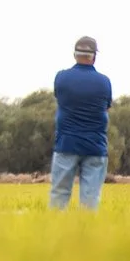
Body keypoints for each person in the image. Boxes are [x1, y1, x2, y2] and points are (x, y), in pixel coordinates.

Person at [50, 35, 114, 211]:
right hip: (95, 146)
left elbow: (60, 100)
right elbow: (106, 108)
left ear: (74, 55)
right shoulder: (104, 82)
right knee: (91, 198)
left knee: (59, 195)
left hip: (66, 143)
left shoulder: (61, 78)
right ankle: (85, 235)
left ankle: (54, 233)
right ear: (94, 56)